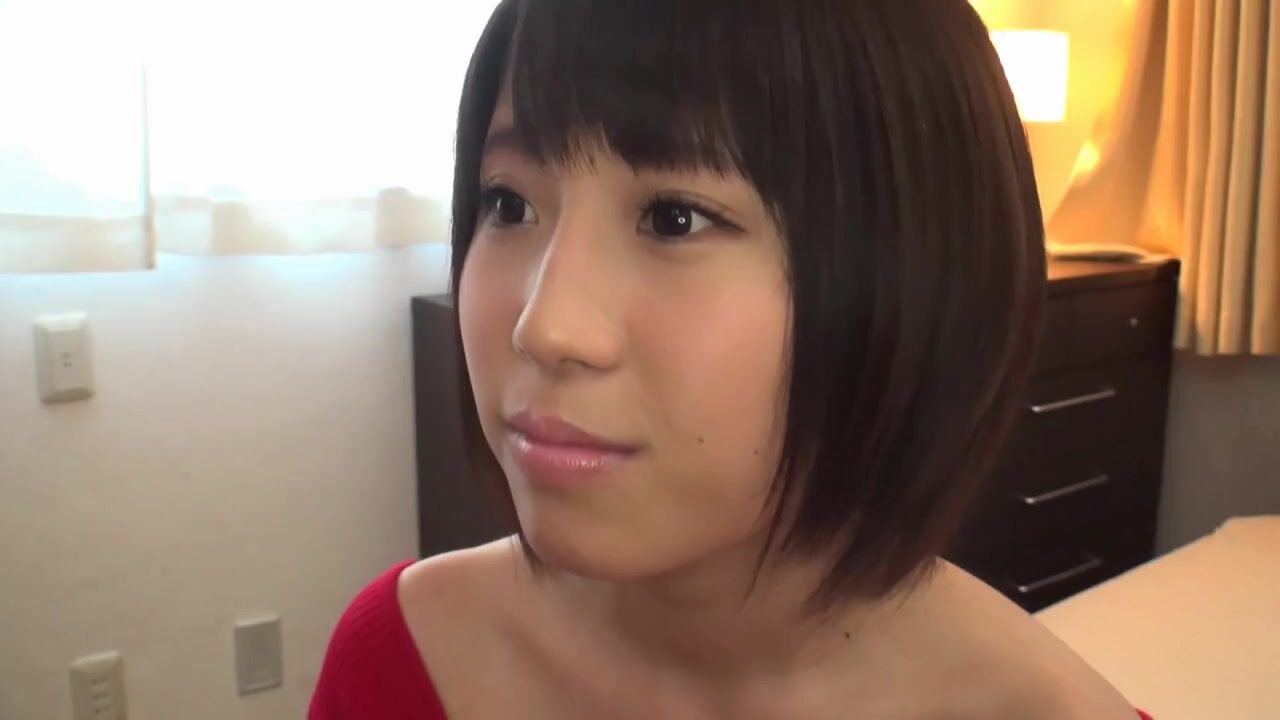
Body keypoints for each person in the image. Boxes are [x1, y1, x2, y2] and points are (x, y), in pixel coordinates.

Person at [311, 1, 1155, 717]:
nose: (546, 326)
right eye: (508, 203)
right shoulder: (401, 662)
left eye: (673, 218)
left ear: (912, 278)